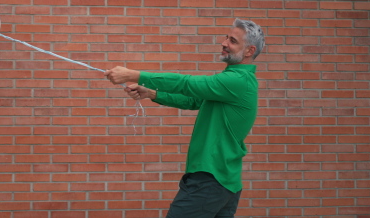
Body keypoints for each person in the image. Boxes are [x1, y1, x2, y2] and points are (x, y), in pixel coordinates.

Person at [104, 18, 265, 218]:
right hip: (224, 182)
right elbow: (193, 100)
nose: (224, 43)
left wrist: (134, 74)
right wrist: (151, 94)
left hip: (210, 180)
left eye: (232, 40)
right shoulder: (234, 81)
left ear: (249, 51)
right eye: (226, 37)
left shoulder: (237, 80)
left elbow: (186, 83)